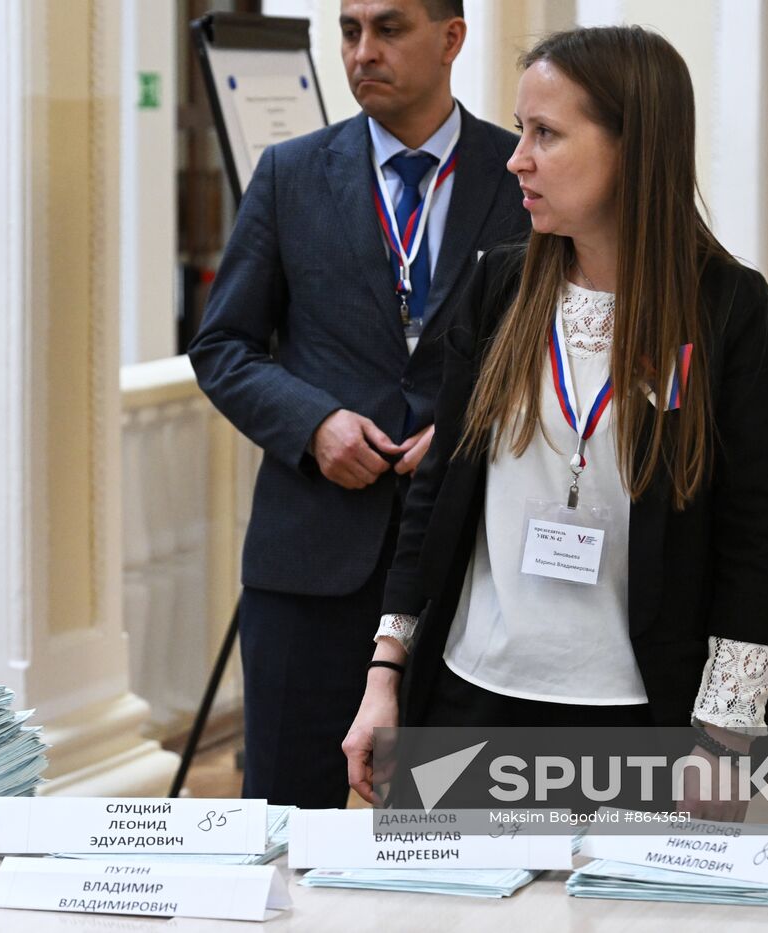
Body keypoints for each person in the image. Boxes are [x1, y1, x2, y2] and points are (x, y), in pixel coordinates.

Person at [343, 25, 768, 822]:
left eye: (546, 134)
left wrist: (728, 736)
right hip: (468, 698)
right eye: (521, 130)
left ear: (635, 145)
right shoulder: (499, 286)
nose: (517, 157)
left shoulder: (732, 313)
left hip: (645, 713)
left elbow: (755, 544)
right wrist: (386, 673)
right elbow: (436, 499)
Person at [188, 0, 529, 807]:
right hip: (310, 560)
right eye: (349, 32)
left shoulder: (520, 176)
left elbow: (559, 348)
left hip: (469, 563)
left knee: (453, 818)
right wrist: (314, 424)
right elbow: (222, 347)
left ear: (451, 39)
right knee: (282, 816)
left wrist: (470, 428)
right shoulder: (290, 174)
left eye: (388, 29)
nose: (362, 52)